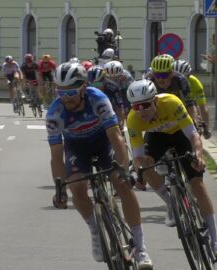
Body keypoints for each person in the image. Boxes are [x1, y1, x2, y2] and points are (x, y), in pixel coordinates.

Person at [47, 62, 153, 269]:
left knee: (121, 183)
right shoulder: (54, 113)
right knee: (75, 187)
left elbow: (115, 136)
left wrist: (123, 168)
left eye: (72, 91)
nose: (66, 97)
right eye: (61, 91)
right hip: (77, 148)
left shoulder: (98, 99)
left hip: (103, 141)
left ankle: (141, 248)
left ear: (84, 88)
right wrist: (60, 188)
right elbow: (56, 155)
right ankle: (95, 230)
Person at [126, 79, 217, 262]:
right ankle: (171, 203)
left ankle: (215, 242)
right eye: (136, 106)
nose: (140, 111)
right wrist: (139, 171)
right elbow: (138, 156)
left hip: (180, 135)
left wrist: (199, 155)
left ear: (155, 101)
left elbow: (193, 135)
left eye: (145, 105)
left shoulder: (172, 103)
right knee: (147, 166)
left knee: (197, 184)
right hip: (157, 137)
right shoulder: (133, 119)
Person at [147, 54, 201, 126]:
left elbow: (190, 105)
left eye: (164, 75)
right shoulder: (149, 81)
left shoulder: (180, 80)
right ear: (153, 74)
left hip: (178, 113)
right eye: (157, 75)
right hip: (158, 116)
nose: (160, 79)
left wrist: (194, 122)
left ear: (171, 73)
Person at [173, 59, 212, 139]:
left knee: (195, 111)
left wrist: (206, 129)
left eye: (184, 77)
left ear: (189, 75)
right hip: (175, 104)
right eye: (177, 78)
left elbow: (203, 108)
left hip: (190, 103)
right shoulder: (170, 82)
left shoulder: (195, 82)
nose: (181, 80)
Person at [103, 60, 135, 129]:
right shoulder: (102, 77)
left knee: (129, 115)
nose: (113, 81)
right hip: (111, 93)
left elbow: (132, 90)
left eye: (116, 78)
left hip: (123, 92)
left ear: (121, 74)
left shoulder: (126, 75)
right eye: (110, 79)